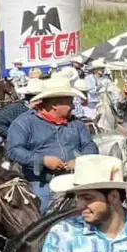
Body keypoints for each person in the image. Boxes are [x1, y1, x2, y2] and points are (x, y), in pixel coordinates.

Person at [6, 77, 98, 210]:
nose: (73, 106)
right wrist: (42, 160)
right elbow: (14, 150)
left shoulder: (76, 124)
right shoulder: (24, 123)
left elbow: (89, 145)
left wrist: (80, 160)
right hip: (42, 183)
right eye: (70, 102)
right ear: (55, 105)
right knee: (40, 212)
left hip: (76, 180)